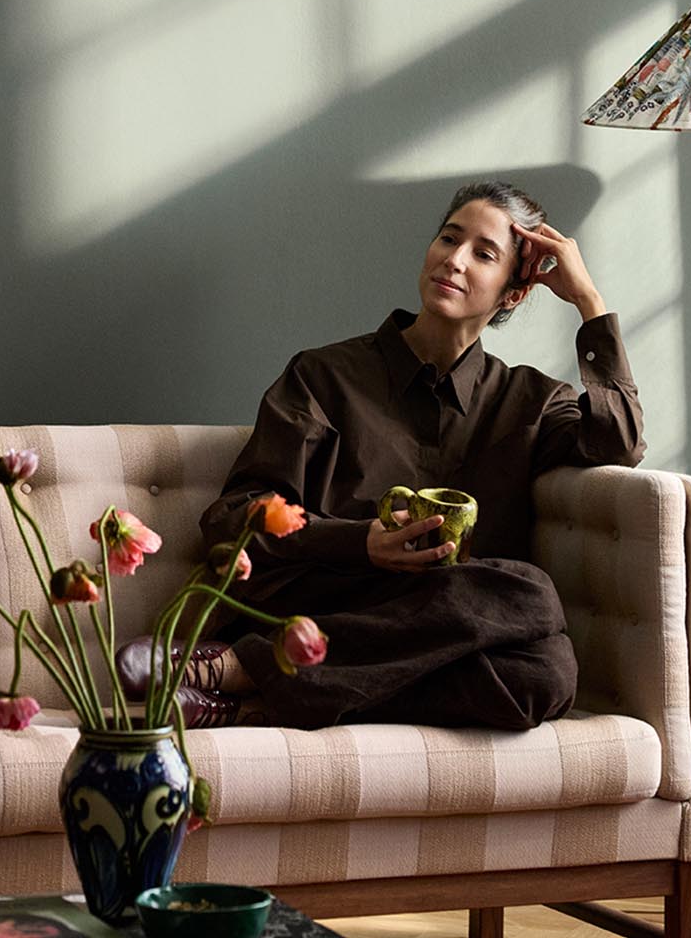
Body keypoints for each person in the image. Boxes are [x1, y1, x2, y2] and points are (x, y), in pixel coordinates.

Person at [118, 181, 645, 731]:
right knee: (532, 595)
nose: (454, 259)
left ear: (513, 293)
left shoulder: (531, 403)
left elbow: (620, 443)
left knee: (546, 676)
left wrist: (590, 302)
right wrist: (357, 541)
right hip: (320, 603)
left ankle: (248, 685)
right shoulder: (324, 377)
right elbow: (234, 519)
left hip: (440, 621)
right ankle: (255, 668)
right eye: (448, 238)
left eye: (483, 254)